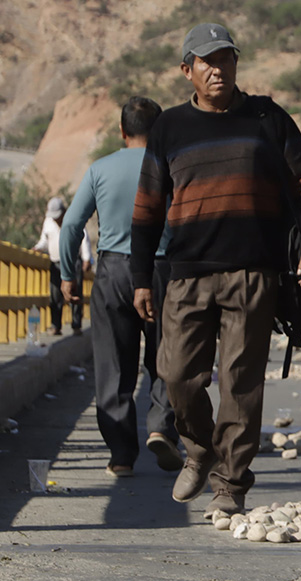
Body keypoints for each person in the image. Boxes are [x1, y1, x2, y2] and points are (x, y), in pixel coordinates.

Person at [130, 23, 301, 517]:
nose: (219, 69)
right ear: (187, 70)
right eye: (207, 62)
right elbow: (148, 209)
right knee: (176, 375)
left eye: (227, 59)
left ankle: (230, 486)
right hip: (186, 274)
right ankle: (198, 448)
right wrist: (138, 279)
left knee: (241, 383)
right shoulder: (169, 128)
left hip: (252, 273)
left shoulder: (268, 117)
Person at [60, 96, 181, 477]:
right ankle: (161, 426)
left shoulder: (100, 168)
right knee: (166, 356)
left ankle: (121, 455)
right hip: (163, 270)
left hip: (112, 270)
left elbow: (70, 227)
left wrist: (68, 274)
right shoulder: (171, 166)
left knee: (114, 365)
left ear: (121, 131)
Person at [33, 197, 89, 335]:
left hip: (73, 261)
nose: (56, 220)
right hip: (55, 261)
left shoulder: (73, 219)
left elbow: (84, 238)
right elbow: (44, 241)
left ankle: (76, 325)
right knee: (55, 294)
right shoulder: (48, 223)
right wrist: (38, 248)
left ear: (64, 212)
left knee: (75, 292)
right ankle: (55, 325)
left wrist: (87, 258)